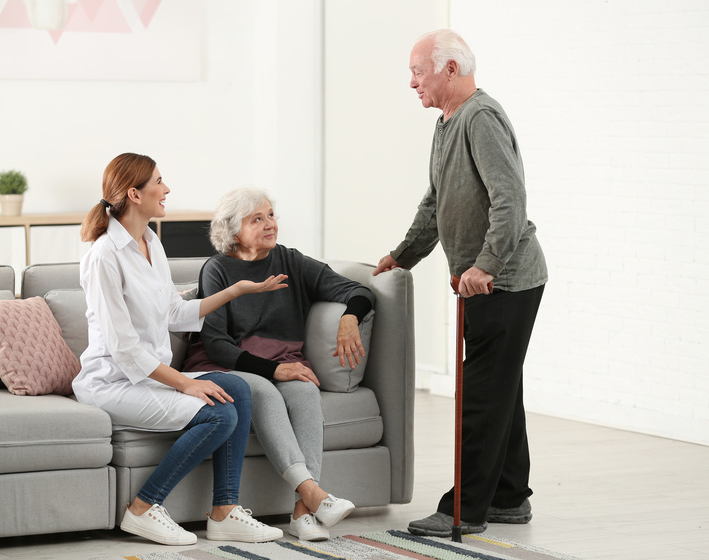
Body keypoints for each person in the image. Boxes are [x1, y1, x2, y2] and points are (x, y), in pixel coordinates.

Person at [373, 30, 548, 538]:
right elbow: (436, 203)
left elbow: (509, 200)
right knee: (500, 389)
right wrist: (402, 255)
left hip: (505, 283)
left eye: (417, 71)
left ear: (450, 69)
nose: (412, 83)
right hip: (481, 282)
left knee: (481, 395)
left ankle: (464, 509)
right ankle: (511, 498)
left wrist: (487, 265)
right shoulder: (447, 124)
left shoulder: (482, 118)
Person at [73, 153, 286, 546]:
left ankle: (224, 512)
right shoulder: (103, 256)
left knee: (237, 389)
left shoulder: (151, 241)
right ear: (135, 193)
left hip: (147, 379)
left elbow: (173, 311)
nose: (166, 188)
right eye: (159, 181)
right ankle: (143, 509)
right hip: (113, 382)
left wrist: (235, 290)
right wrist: (186, 385)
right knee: (220, 417)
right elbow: (124, 348)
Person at [182, 187, 373, 541]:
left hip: (283, 361)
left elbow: (358, 290)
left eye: (271, 215)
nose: (270, 224)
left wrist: (350, 319)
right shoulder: (218, 269)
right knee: (265, 393)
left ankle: (302, 512)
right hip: (228, 366)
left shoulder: (290, 260)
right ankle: (315, 495)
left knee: (304, 392)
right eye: (258, 218)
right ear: (233, 230)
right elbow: (216, 343)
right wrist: (273, 371)